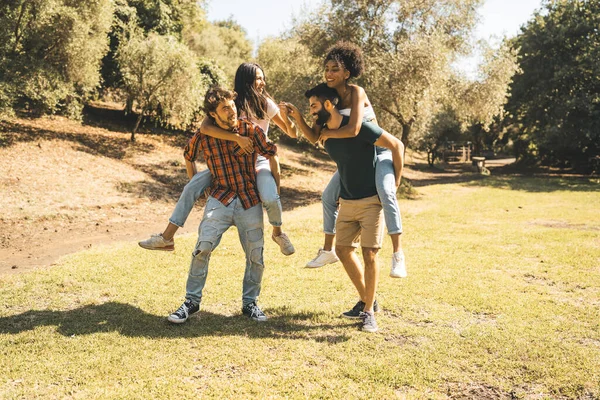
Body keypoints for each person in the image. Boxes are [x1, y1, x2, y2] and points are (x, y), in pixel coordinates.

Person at [139, 62, 297, 256]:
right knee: (191, 186)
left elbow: (292, 133)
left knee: (271, 198)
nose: (262, 82)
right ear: (246, 80)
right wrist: (237, 138)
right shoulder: (230, 102)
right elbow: (205, 128)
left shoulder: (265, 104)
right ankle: (167, 237)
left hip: (258, 161)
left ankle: (278, 233)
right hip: (228, 163)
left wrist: (291, 117)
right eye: (258, 77)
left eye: (263, 78)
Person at [284, 83, 404, 332]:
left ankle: (369, 312)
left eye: (314, 107)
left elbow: (396, 145)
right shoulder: (323, 130)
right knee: (343, 250)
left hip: (371, 200)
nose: (312, 112)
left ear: (329, 105)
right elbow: (314, 136)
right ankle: (367, 300)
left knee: (369, 255)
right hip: (347, 200)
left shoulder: (359, 128)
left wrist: (395, 184)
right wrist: (296, 118)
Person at [168, 86, 276, 324]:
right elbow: (188, 154)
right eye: (224, 108)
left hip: (250, 200)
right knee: (202, 248)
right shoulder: (204, 135)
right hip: (219, 199)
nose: (231, 111)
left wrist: (272, 190)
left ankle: (250, 304)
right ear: (213, 115)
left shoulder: (251, 130)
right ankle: (191, 302)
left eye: (232, 106)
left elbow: (271, 151)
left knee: (256, 256)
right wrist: (198, 185)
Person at [299, 42, 407, 278]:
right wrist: (298, 118)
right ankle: (328, 250)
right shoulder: (328, 98)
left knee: (386, 192)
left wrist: (397, 179)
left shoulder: (356, 92)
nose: (329, 73)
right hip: (357, 158)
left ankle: (398, 255)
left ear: (347, 73)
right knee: (328, 196)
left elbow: (355, 128)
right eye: (327, 68)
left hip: (379, 154)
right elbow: (314, 135)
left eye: (335, 68)